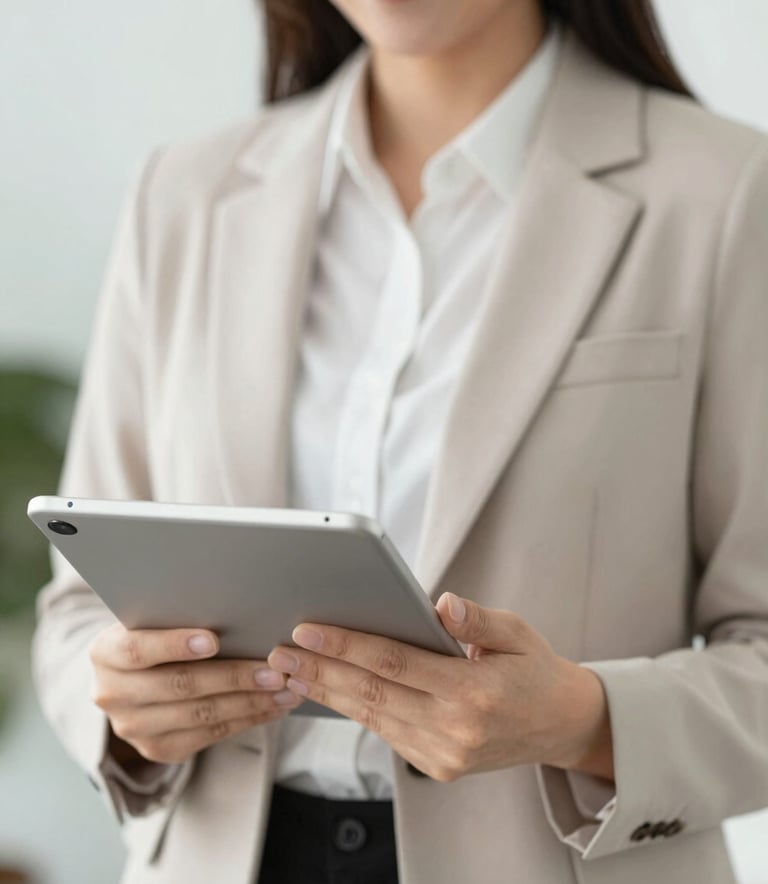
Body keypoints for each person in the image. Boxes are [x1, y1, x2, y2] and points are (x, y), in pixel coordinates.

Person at [33, 0, 768, 882]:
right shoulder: (184, 192)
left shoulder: (725, 192)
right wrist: (123, 705)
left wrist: (583, 718)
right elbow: (77, 610)